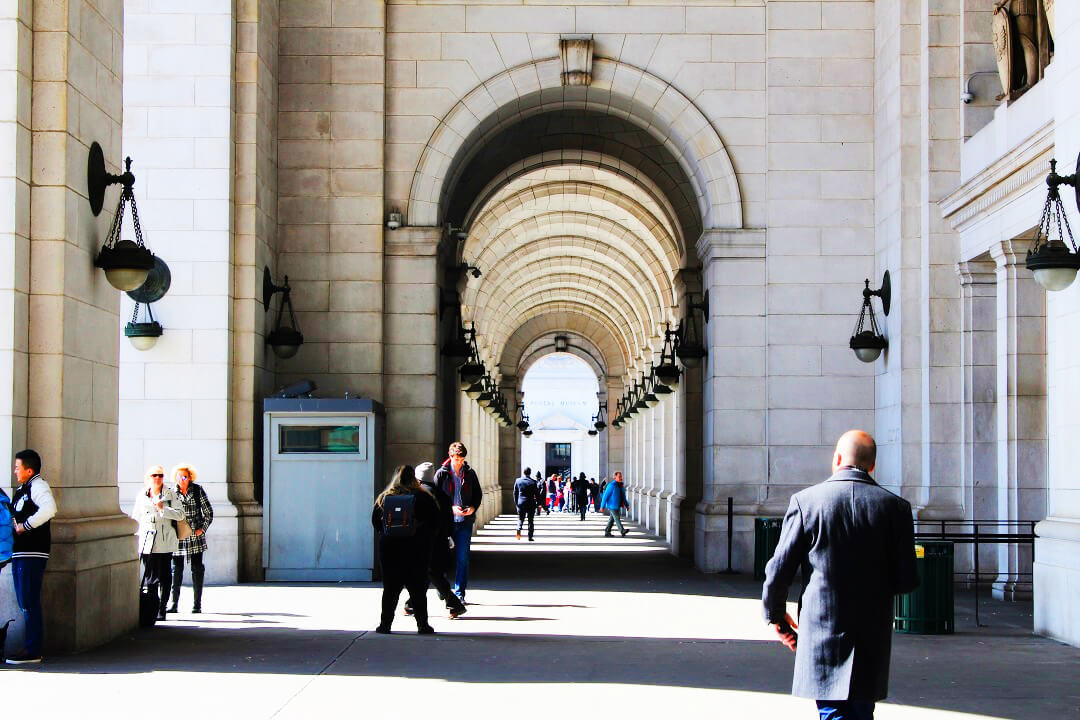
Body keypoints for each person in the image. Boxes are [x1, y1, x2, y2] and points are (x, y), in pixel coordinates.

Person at [762, 430, 920, 720]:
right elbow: (906, 580)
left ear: (837, 459)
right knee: (861, 710)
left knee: (832, 711)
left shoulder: (806, 502)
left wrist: (776, 616)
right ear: (872, 465)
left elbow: (778, 569)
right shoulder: (896, 508)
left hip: (822, 630)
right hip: (871, 633)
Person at [371, 465, 438, 634]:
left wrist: (389, 535)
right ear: (415, 478)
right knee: (417, 590)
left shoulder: (385, 498)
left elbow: (376, 522)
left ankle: (385, 624)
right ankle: (423, 625)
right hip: (416, 551)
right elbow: (435, 522)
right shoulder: (424, 497)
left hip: (390, 550)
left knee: (390, 590)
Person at [8, 449, 57, 664]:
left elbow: (49, 509)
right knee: (25, 601)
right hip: (21, 552)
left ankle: (33, 650)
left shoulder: (38, 486)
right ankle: (30, 647)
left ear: (29, 470)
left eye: (18, 467)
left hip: (32, 553)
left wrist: (25, 526)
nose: (15, 471)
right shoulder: (23, 489)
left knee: (29, 601)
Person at [407, 462, 467, 619]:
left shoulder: (416, 495)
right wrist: (447, 536)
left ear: (418, 479)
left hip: (422, 541)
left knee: (431, 574)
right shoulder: (444, 496)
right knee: (429, 573)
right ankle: (410, 604)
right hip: (440, 540)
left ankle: (455, 604)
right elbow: (449, 521)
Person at [132, 464, 186, 622]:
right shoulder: (142, 495)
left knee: (165, 576)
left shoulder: (170, 494)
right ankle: (153, 607)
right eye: (154, 475)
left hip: (165, 542)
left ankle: (162, 608)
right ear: (148, 478)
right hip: (147, 542)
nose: (157, 478)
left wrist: (163, 509)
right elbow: (136, 517)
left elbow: (180, 514)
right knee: (150, 578)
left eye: (160, 475)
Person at [434, 442, 482, 604]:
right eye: (457, 458)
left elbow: (478, 494)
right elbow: (434, 498)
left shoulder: (470, 473)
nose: (460, 461)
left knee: (463, 558)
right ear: (450, 456)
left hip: (464, 522)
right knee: (442, 558)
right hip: (446, 523)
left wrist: (473, 508)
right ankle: (444, 590)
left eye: (462, 458)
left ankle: (460, 593)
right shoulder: (441, 474)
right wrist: (450, 508)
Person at [169, 463, 213, 614]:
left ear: (190, 477)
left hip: (195, 534)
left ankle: (197, 604)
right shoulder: (171, 492)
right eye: (179, 476)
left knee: (197, 568)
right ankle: (173, 604)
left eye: (185, 476)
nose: (182, 479)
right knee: (176, 569)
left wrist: (203, 529)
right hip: (179, 535)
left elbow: (208, 512)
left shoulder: (197, 490)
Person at [600, 471, 630, 537]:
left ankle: (607, 531)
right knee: (617, 518)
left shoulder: (621, 486)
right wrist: (602, 506)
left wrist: (627, 505)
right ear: (615, 477)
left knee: (612, 519)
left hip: (617, 505)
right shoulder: (611, 485)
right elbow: (605, 496)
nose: (621, 478)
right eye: (619, 476)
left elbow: (623, 497)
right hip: (612, 505)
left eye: (621, 476)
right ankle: (622, 530)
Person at [514, 466, 539, 541]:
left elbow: (515, 493)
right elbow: (537, 494)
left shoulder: (518, 481)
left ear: (523, 472)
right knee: (530, 520)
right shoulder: (533, 482)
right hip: (531, 502)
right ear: (530, 473)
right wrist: (538, 503)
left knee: (521, 518)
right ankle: (530, 537)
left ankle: (519, 529)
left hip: (521, 502)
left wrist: (516, 503)